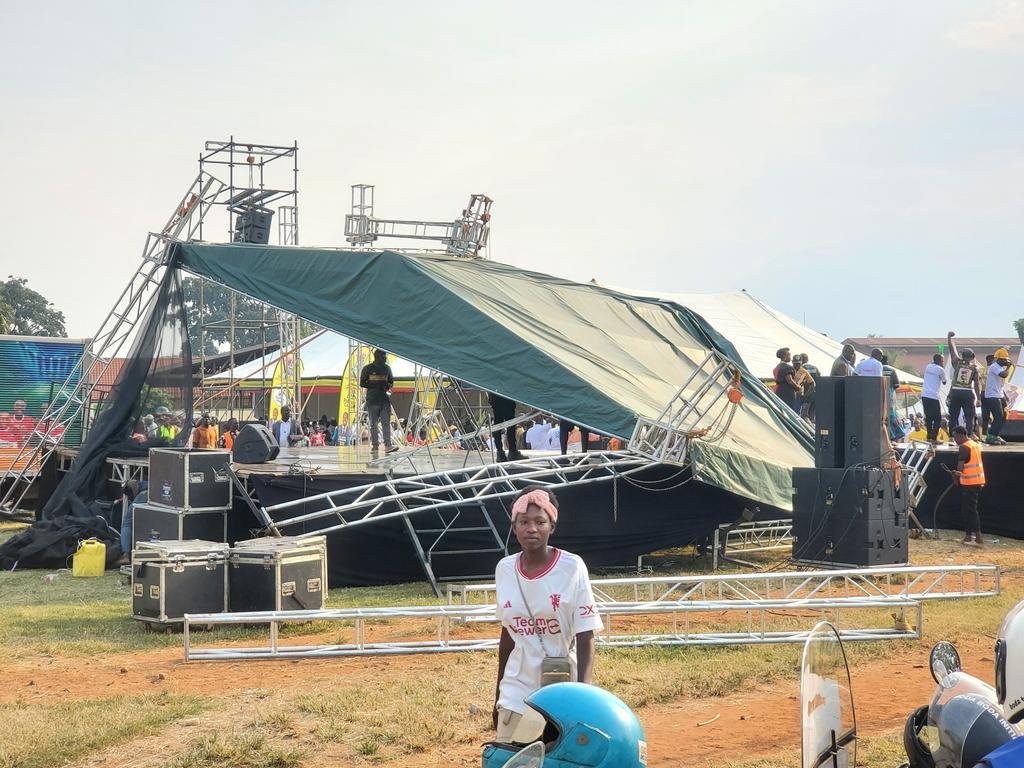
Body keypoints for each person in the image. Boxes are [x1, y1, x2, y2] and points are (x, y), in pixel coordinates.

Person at [492, 486, 602, 742]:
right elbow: (508, 635)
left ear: (552, 526)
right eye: (524, 522)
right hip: (516, 688)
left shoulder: (572, 567)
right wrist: (498, 695)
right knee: (510, 757)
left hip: (562, 687)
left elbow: (586, 635)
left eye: (540, 521)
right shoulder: (504, 569)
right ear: (514, 526)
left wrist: (581, 695)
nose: (532, 528)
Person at [951, 425, 986, 546]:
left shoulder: (964, 447)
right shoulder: (974, 444)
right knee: (970, 509)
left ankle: (976, 537)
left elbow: (960, 468)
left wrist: (955, 475)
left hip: (969, 484)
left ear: (961, 435)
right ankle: (969, 536)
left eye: (955, 437)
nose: (954, 440)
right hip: (978, 481)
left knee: (969, 511)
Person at [360, 349, 398, 454]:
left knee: (386, 422)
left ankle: (388, 445)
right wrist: (375, 385)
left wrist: (386, 386)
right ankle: (375, 445)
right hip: (372, 400)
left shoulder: (387, 369)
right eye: (384, 356)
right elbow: (362, 383)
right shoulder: (367, 369)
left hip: (384, 400)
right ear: (378, 357)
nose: (386, 358)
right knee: (373, 424)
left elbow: (391, 382)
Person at [946, 331, 981, 438]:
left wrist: (949, 338)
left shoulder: (956, 362)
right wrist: (978, 398)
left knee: (953, 416)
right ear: (972, 356)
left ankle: (952, 437)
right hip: (967, 392)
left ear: (962, 355)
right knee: (969, 415)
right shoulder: (974, 368)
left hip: (955, 392)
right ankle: (970, 434)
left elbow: (952, 350)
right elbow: (977, 384)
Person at [984, 348, 1013, 445]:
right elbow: (1004, 375)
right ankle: (991, 436)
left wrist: (1005, 395)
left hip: (999, 395)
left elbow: (1000, 384)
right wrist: (1008, 368)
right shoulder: (994, 366)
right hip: (992, 396)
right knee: (998, 417)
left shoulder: (1000, 367)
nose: (1006, 362)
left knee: (1004, 416)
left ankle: (995, 435)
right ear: (998, 359)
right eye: (1004, 360)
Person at [488, 392, 523, 462]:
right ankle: (512, 452)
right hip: (506, 396)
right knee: (510, 425)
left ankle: (500, 452)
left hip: (496, 396)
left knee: (498, 424)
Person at [921, 353, 947, 443]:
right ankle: (934, 438)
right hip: (933, 396)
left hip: (924, 395)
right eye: (942, 361)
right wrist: (942, 368)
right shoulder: (941, 369)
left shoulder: (928, 366)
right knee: (937, 418)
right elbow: (944, 382)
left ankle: (929, 437)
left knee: (929, 418)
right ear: (940, 361)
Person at [773, 348, 801, 412]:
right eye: (789, 356)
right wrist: (797, 387)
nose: (790, 358)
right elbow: (789, 380)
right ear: (784, 356)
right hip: (787, 392)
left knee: (781, 410)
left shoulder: (777, 367)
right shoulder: (787, 367)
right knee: (789, 411)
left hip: (778, 391)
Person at [792, 354, 816, 422]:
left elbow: (813, 384)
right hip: (790, 395)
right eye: (795, 364)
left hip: (799, 396)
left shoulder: (804, 371)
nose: (797, 365)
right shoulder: (789, 370)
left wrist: (806, 396)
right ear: (792, 363)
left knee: (797, 415)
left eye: (799, 364)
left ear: (801, 363)